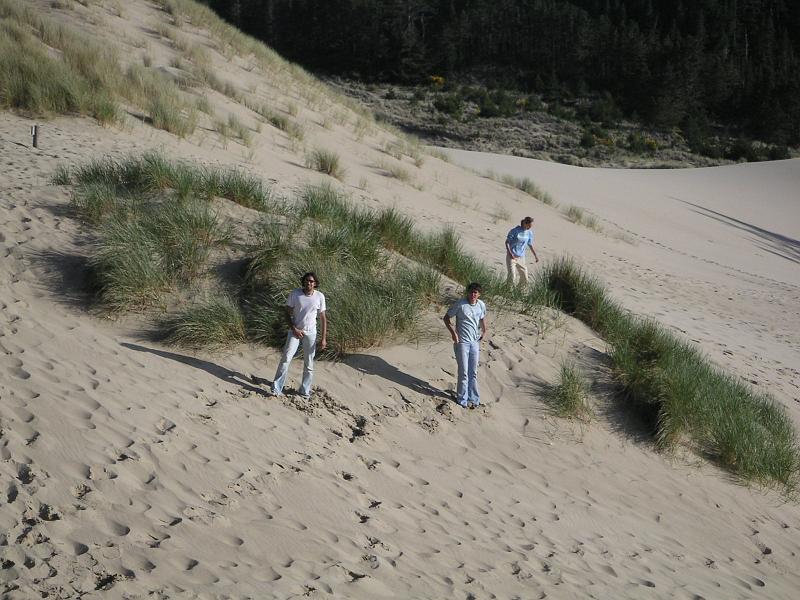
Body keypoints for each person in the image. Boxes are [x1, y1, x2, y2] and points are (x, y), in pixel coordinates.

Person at [271, 272, 327, 398]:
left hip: (311, 332)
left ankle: (304, 390)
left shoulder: (319, 296)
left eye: (312, 281)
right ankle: (276, 388)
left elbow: (323, 318)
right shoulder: (295, 294)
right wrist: (294, 329)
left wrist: (323, 339)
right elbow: (287, 313)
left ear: (315, 283)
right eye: (307, 280)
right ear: (304, 281)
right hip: (295, 331)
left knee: (309, 363)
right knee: (286, 358)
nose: (309, 283)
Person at [443, 282, 487, 409]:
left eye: (476, 292)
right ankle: (462, 400)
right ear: (468, 292)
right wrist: (453, 334)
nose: (473, 294)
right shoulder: (460, 305)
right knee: (464, 373)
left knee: (473, 372)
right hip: (462, 343)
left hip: (474, 342)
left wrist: (485, 331)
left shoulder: (481, 305)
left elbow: (482, 318)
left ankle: (474, 399)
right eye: (472, 292)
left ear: (479, 294)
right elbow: (446, 318)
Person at [505, 216, 538, 286]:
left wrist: (535, 255)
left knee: (525, 278)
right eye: (529, 225)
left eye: (531, 226)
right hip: (512, 257)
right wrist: (510, 253)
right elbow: (507, 242)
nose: (530, 227)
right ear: (525, 223)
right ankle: (508, 291)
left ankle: (519, 292)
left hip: (521, 258)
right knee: (512, 277)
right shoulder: (514, 231)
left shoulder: (529, 233)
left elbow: (530, 244)